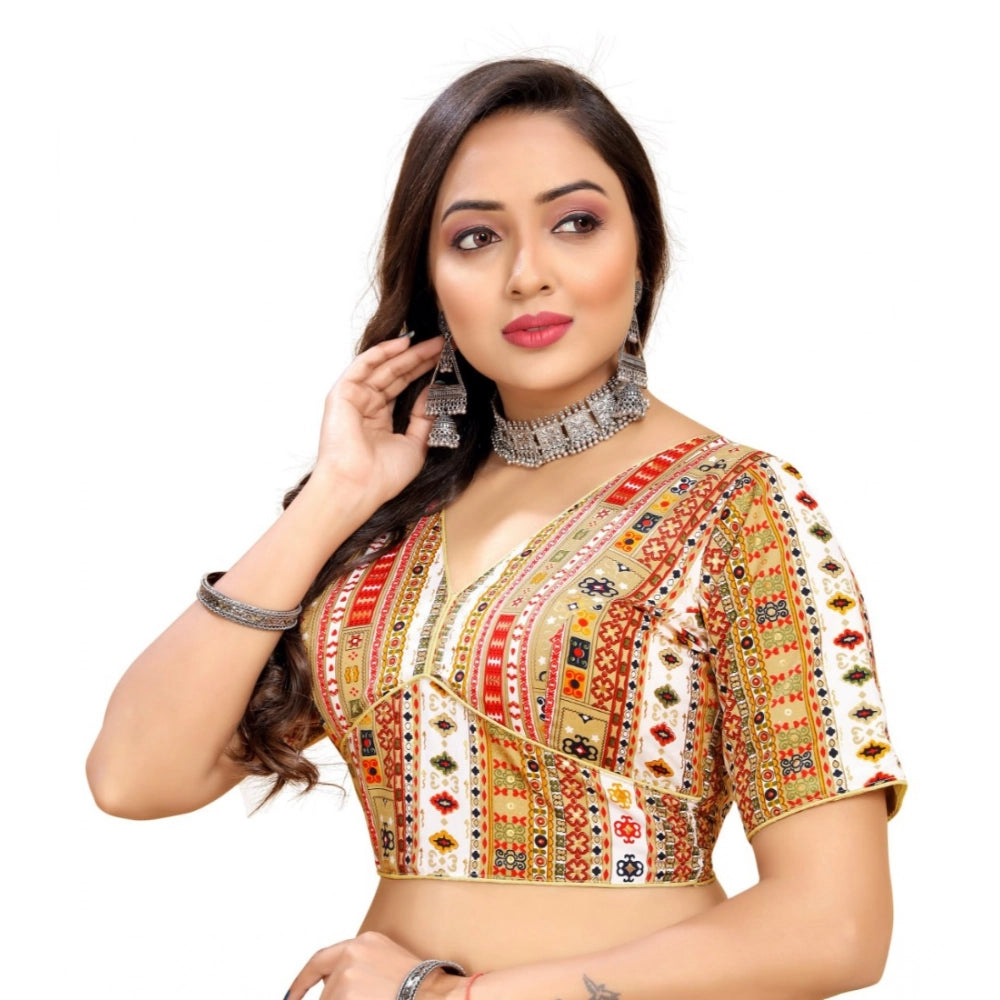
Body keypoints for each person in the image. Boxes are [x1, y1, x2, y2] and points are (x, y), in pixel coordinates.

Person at [87, 58, 906, 1000]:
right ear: (432, 282)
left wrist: (451, 998)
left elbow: (836, 928)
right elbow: (134, 776)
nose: (528, 274)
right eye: (477, 237)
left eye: (576, 223)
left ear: (643, 251)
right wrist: (333, 497)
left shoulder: (739, 506)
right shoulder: (391, 525)